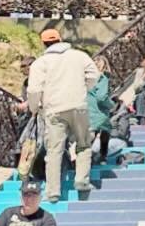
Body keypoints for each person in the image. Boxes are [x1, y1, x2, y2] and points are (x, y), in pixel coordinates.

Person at [26, 26, 98, 203]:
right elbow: (94, 75)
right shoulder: (79, 56)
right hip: (78, 105)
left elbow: (34, 90)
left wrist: (36, 108)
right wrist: (83, 88)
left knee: (54, 150)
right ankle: (81, 180)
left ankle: (53, 191)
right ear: (60, 39)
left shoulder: (40, 63)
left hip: (53, 109)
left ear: (44, 43)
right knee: (83, 143)